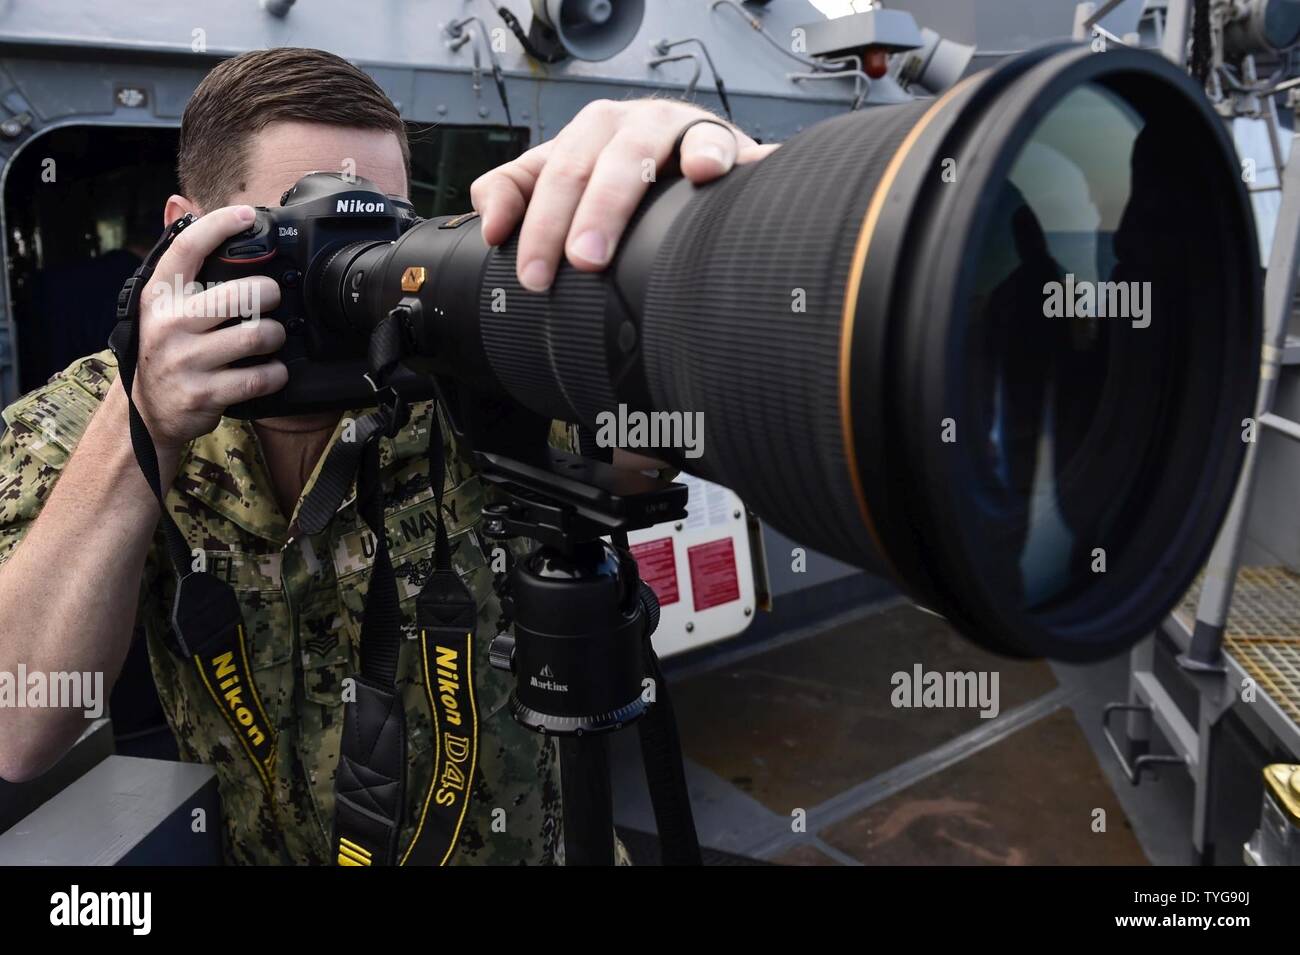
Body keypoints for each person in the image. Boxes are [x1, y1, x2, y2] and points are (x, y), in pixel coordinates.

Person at [0, 47, 775, 864]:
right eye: (303, 238)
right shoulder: (91, 413)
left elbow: (746, 395)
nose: (361, 285)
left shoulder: (471, 373)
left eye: (385, 235)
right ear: (184, 235)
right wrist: (145, 425)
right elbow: (19, 731)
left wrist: (713, 221)